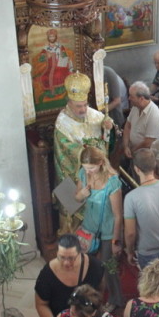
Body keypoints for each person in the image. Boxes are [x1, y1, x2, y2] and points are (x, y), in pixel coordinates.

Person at [54, 72, 111, 229]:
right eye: (79, 106)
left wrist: (107, 126)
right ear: (69, 103)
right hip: (76, 173)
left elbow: (107, 132)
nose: (83, 109)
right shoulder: (62, 123)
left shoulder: (93, 114)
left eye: (85, 105)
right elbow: (64, 149)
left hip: (97, 173)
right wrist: (86, 154)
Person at [75, 146, 123, 311]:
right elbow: (76, 198)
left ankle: (116, 299)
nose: (88, 171)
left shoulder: (112, 182)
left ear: (101, 163)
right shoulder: (83, 174)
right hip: (89, 229)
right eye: (85, 167)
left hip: (108, 231)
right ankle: (90, 296)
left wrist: (116, 241)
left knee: (109, 267)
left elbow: (118, 215)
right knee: (88, 265)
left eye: (91, 168)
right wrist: (81, 195)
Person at [124, 149, 159, 269]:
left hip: (147, 253)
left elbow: (130, 233)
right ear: (154, 165)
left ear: (136, 169)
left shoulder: (131, 198)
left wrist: (130, 251)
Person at [32, 28, 75, 106]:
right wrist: (46, 56)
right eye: (50, 37)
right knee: (45, 77)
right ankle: (50, 93)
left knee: (57, 75)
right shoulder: (45, 49)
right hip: (49, 68)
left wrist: (62, 57)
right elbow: (41, 59)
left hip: (61, 67)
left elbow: (65, 56)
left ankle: (60, 92)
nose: (52, 38)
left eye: (53, 36)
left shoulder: (60, 47)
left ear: (56, 37)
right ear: (48, 38)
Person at [123, 81, 159, 159]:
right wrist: (126, 146)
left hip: (146, 156)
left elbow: (148, 143)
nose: (129, 98)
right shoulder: (135, 107)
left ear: (141, 99)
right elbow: (128, 126)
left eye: (131, 96)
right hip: (132, 150)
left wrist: (132, 151)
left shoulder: (154, 115)